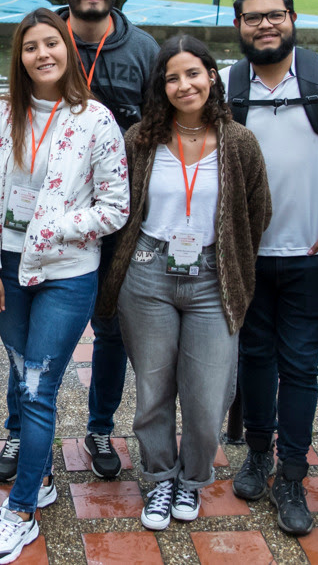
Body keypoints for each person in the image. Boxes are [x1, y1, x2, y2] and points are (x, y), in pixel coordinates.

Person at [0, 0, 158, 484]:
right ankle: (22, 434)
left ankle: (99, 428)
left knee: (110, 334)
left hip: (112, 224)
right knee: (28, 355)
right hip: (31, 233)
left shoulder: (144, 52)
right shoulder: (44, 43)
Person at [219, 0, 318, 536]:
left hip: (315, 253)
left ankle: (292, 472)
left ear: (292, 18)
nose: (265, 25)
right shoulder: (225, 83)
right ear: (238, 24)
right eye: (253, 17)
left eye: (275, 15)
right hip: (249, 256)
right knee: (254, 358)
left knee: (301, 364)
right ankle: (257, 453)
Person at [0, 8, 129, 564]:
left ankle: (21, 513)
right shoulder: (0, 115)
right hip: (9, 273)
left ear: (68, 50)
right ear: (19, 57)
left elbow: (115, 208)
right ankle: (37, 479)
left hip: (67, 275)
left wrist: (54, 225)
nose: (43, 54)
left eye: (52, 44)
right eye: (30, 46)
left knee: (38, 390)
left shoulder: (96, 120)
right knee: (21, 379)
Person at [98, 35, 270, 531]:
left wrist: (231, 257)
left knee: (207, 390)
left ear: (212, 76)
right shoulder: (140, 140)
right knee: (153, 387)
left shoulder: (239, 143)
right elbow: (120, 208)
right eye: (172, 77)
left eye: (193, 73)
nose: (184, 84)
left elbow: (257, 212)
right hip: (148, 272)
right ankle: (158, 479)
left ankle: (191, 480)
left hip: (213, 276)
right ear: (161, 86)